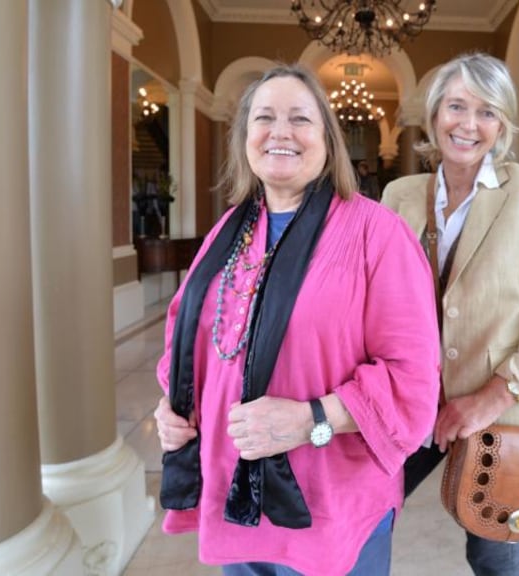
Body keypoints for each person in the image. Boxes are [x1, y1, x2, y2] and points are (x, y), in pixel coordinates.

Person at [153, 64, 440, 576]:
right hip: (235, 495)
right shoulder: (230, 229)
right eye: (264, 117)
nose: (280, 131)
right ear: (246, 138)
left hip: (330, 506)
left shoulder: (379, 233)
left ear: (327, 139)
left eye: (299, 118)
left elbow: (412, 381)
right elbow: (187, 338)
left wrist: (312, 419)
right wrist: (173, 407)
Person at [382, 52, 519, 576]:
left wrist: (489, 399)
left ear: (502, 125)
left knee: (493, 547)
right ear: (434, 115)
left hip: (499, 405)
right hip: (409, 401)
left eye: (486, 112)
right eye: (456, 106)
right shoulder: (398, 195)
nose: (468, 124)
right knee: (362, 517)